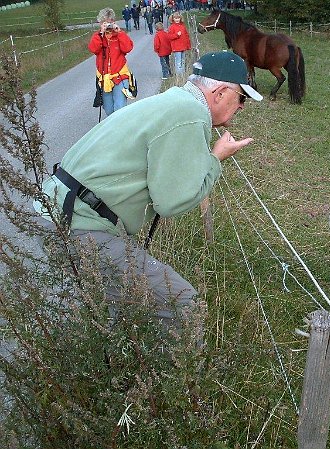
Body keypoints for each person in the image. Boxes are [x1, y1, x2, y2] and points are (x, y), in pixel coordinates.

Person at [33, 51, 262, 331]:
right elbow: (170, 203)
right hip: (79, 223)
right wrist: (215, 161)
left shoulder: (176, 100)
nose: (241, 107)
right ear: (221, 92)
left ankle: (120, 368)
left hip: (62, 210)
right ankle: (172, 375)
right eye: (242, 98)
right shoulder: (191, 113)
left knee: (116, 311)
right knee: (182, 303)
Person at [88, 8, 135, 117]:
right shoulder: (98, 36)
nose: (108, 25)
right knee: (109, 110)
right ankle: (114, 126)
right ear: (100, 23)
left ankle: (121, 131)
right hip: (105, 79)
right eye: (105, 22)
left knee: (120, 108)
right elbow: (93, 49)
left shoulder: (119, 35)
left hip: (120, 76)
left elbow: (127, 48)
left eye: (110, 22)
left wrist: (119, 32)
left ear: (114, 22)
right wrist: (101, 34)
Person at [167, 11, 191, 78]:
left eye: (178, 18)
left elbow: (186, 36)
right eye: (175, 18)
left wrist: (188, 45)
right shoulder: (172, 27)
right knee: (178, 62)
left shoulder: (183, 26)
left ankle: (182, 74)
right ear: (173, 19)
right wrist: (177, 35)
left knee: (183, 61)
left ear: (180, 18)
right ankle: (179, 76)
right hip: (176, 47)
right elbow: (169, 37)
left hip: (183, 46)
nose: (177, 19)